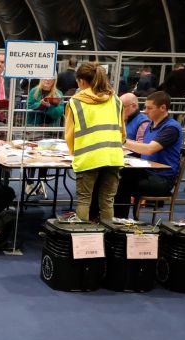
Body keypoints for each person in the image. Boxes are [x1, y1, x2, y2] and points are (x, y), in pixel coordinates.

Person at [64, 62, 125, 222]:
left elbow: (70, 135)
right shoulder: (116, 100)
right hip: (113, 157)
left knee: (84, 200)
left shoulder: (75, 102)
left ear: (82, 81)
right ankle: (108, 240)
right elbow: (122, 132)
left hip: (88, 157)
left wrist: (74, 153)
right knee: (107, 202)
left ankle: (84, 240)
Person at [115, 91, 184, 219]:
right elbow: (141, 148)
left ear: (163, 108)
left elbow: (149, 149)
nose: (145, 111)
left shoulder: (171, 128)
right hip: (147, 172)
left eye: (149, 108)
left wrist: (122, 140)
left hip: (161, 179)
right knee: (115, 176)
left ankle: (119, 219)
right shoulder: (150, 125)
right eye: (145, 107)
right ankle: (115, 218)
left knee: (122, 184)